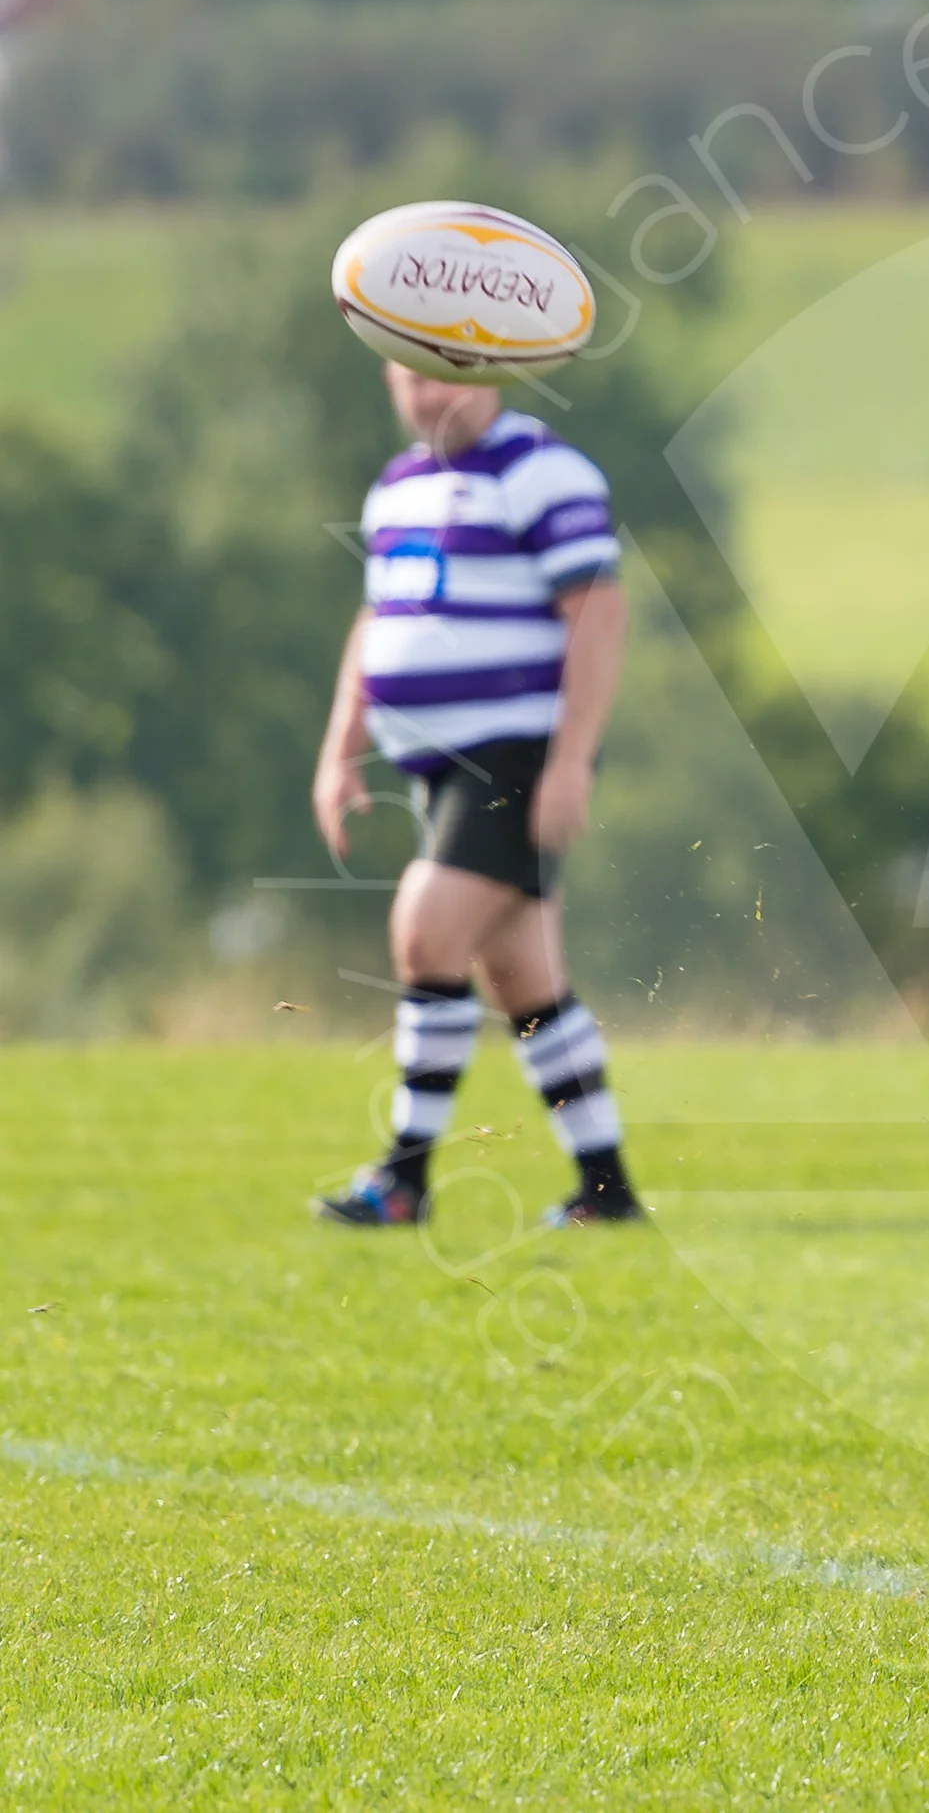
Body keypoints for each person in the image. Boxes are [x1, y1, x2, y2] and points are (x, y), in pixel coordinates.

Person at [309, 360, 643, 1230]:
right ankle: (606, 1192)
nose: (430, 394)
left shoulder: (541, 471)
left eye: (448, 375)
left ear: (492, 372)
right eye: (410, 375)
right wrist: (340, 747)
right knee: (525, 982)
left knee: (426, 934)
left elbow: (599, 615)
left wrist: (572, 760)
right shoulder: (398, 488)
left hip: (514, 755)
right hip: (438, 766)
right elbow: (377, 620)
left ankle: (403, 1182)